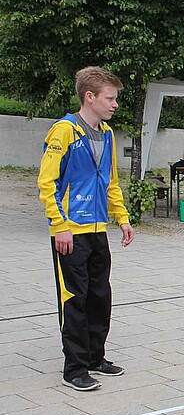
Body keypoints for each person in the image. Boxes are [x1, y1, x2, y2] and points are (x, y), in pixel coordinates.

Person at [37, 66, 134, 391]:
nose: (114, 104)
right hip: (69, 232)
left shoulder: (106, 134)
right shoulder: (63, 131)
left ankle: (95, 357)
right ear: (89, 97)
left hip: (97, 230)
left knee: (99, 295)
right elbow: (46, 182)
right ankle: (74, 367)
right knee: (73, 298)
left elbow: (111, 182)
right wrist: (59, 224)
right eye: (110, 98)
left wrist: (121, 218)